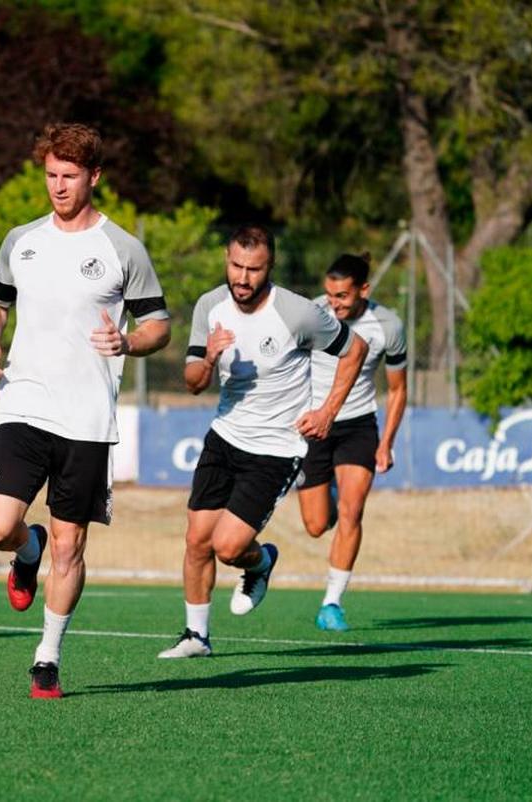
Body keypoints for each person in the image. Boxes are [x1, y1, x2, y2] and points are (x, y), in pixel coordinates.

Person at [0, 123, 170, 697]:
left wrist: (128, 343)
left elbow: (158, 324)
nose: (58, 187)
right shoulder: (21, 240)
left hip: (86, 421)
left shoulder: (122, 249)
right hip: (23, 406)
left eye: (69, 176)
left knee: (71, 546)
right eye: (51, 176)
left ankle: (47, 656)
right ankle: (23, 550)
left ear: (94, 177)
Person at [158, 224, 367, 659]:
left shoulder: (297, 313)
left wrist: (327, 411)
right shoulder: (209, 307)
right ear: (227, 261)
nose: (243, 277)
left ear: (269, 268)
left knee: (229, 546)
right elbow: (194, 381)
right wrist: (210, 357)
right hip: (225, 435)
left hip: (276, 448)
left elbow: (356, 350)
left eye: (253, 269)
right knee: (197, 539)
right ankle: (196, 636)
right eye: (236, 266)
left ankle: (262, 562)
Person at [296, 253, 407, 631]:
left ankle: (332, 603)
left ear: (364, 289)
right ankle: (327, 495)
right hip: (313, 426)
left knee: (352, 510)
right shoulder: (312, 312)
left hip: (358, 425)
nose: (334, 303)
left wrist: (386, 442)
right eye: (329, 294)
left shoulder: (387, 325)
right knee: (315, 524)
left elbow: (397, 389)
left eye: (342, 296)